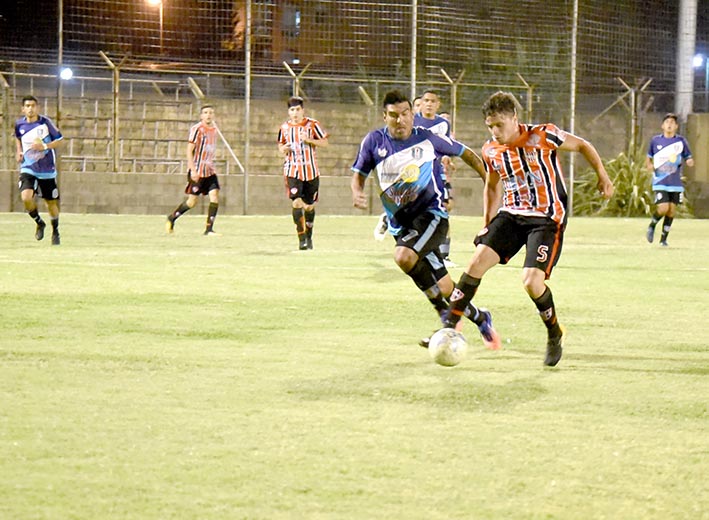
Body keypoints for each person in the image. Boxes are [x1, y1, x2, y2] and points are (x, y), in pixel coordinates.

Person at [440, 91, 614, 367]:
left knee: (532, 282)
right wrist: (487, 225)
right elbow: (492, 185)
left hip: (546, 219)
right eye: (490, 126)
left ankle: (554, 332)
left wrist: (603, 177)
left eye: (499, 124)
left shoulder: (543, 135)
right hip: (511, 215)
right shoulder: (491, 150)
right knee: (475, 263)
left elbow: (582, 145)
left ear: (514, 119)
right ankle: (448, 325)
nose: (495, 131)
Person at [350, 89, 499, 350]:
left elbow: (468, 154)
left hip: (431, 217)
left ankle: (445, 317)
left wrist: (491, 182)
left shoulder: (428, 139)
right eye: (394, 115)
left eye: (405, 114)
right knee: (444, 286)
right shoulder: (373, 141)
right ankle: (480, 317)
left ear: (412, 113)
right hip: (402, 225)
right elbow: (359, 173)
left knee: (403, 257)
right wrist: (357, 191)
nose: (400, 120)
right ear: (385, 116)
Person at [277, 96, 329, 250]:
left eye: (298, 109)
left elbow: (325, 142)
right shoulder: (284, 128)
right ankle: (301, 240)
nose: (295, 113)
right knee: (296, 202)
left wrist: (310, 141)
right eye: (292, 110)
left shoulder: (312, 125)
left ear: (303, 110)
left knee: (309, 207)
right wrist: (283, 149)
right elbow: (280, 144)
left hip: (311, 172)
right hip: (292, 170)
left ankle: (309, 236)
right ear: (288, 112)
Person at [14, 95, 64, 246]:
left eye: (33, 106)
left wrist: (45, 147)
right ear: (23, 109)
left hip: (47, 170)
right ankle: (39, 222)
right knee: (26, 197)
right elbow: (17, 137)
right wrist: (19, 151)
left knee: (51, 203)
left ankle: (55, 230)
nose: (30, 108)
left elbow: (60, 140)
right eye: (27, 106)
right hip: (28, 168)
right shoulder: (19, 125)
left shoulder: (45, 123)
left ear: (37, 107)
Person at [414, 90, 456, 266]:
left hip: (436, 174)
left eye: (433, 101)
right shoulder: (412, 121)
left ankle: (442, 256)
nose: (429, 104)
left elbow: (446, 146)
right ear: (420, 104)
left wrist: (447, 158)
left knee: (443, 209)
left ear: (438, 104)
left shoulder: (443, 124)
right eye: (426, 101)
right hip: (415, 175)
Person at [166, 104, 221, 236]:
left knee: (214, 196)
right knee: (192, 202)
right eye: (206, 112)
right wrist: (193, 170)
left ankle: (209, 229)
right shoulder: (197, 129)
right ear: (201, 116)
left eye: (211, 113)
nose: (208, 115)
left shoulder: (214, 130)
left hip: (210, 171)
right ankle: (172, 218)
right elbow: (189, 151)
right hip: (198, 170)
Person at [645, 112, 694, 247]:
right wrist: (649, 165)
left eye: (672, 122)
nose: (669, 125)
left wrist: (689, 160)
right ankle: (652, 225)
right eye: (667, 122)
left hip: (675, 183)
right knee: (663, 208)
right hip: (660, 180)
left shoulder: (681, 142)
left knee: (672, 210)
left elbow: (688, 156)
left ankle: (663, 239)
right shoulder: (656, 141)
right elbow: (649, 156)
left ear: (676, 126)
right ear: (662, 126)